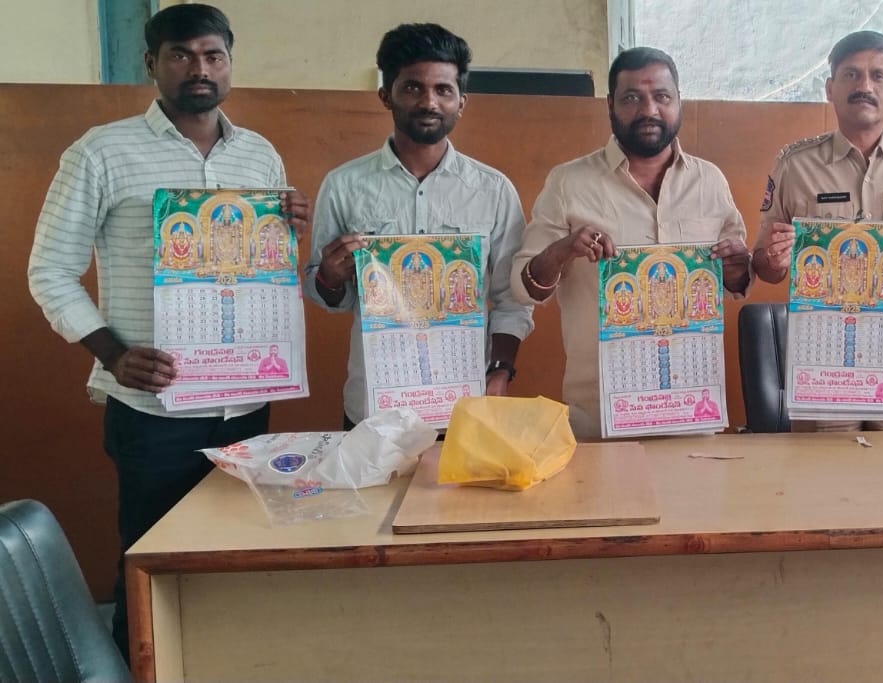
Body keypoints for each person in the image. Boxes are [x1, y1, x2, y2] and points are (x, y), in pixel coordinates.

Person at [24, 4, 311, 660]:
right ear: (151, 63)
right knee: (151, 560)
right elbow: (50, 270)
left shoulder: (260, 155)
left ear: (230, 64)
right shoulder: (101, 151)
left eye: (213, 55)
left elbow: (266, 276)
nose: (198, 68)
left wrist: (287, 228)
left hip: (244, 402)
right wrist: (113, 353)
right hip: (153, 409)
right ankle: (139, 668)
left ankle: (222, 665)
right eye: (180, 55)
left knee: (235, 554)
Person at [511, 47, 750, 439]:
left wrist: (738, 268)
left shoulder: (710, 181)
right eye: (632, 98)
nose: (649, 110)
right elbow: (524, 288)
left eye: (662, 97)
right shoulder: (568, 182)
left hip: (692, 412)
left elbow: (734, 276)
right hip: (600, 418)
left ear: (678, 101)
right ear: (610, 104)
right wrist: (563, 249)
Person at [305, 23, 531, 429]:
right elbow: (326, 295)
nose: (429, 102)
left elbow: (511, 299)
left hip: (464, 405)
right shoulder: (343, 185)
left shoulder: (493, 190)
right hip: (374, 409)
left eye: (443, 90)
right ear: (385, 95)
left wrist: (500, 369)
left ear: (462, 102)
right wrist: (330, 277)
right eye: (412, 88)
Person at [751, 30, 883, 431]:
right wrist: (773, 260)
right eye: (851, 74)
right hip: (823, 362)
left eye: (878, 76)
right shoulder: (795, 165)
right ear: (830, 88)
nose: (864, 85)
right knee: (827, 470)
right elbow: (764, 265)